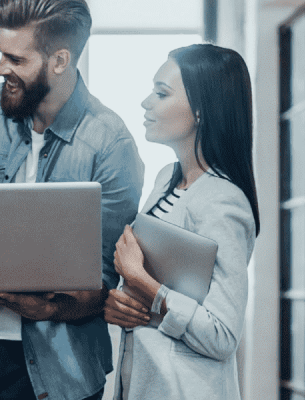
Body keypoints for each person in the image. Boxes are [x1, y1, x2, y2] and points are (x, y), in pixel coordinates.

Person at [0, 0, 144, 399]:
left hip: (63, 371)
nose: (1, 68)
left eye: (15, 58)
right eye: (0, 53)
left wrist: (49, 309)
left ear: (59, 60)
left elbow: (106, 281)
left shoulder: (110, 144)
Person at [103, 43, 259, 400]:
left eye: (161, 93)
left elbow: (222, 336)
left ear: (201, 110)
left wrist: (141, 281)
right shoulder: (165, 179)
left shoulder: (223, 201)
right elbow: (157, 298)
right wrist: (121, 303)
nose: (146, 102)